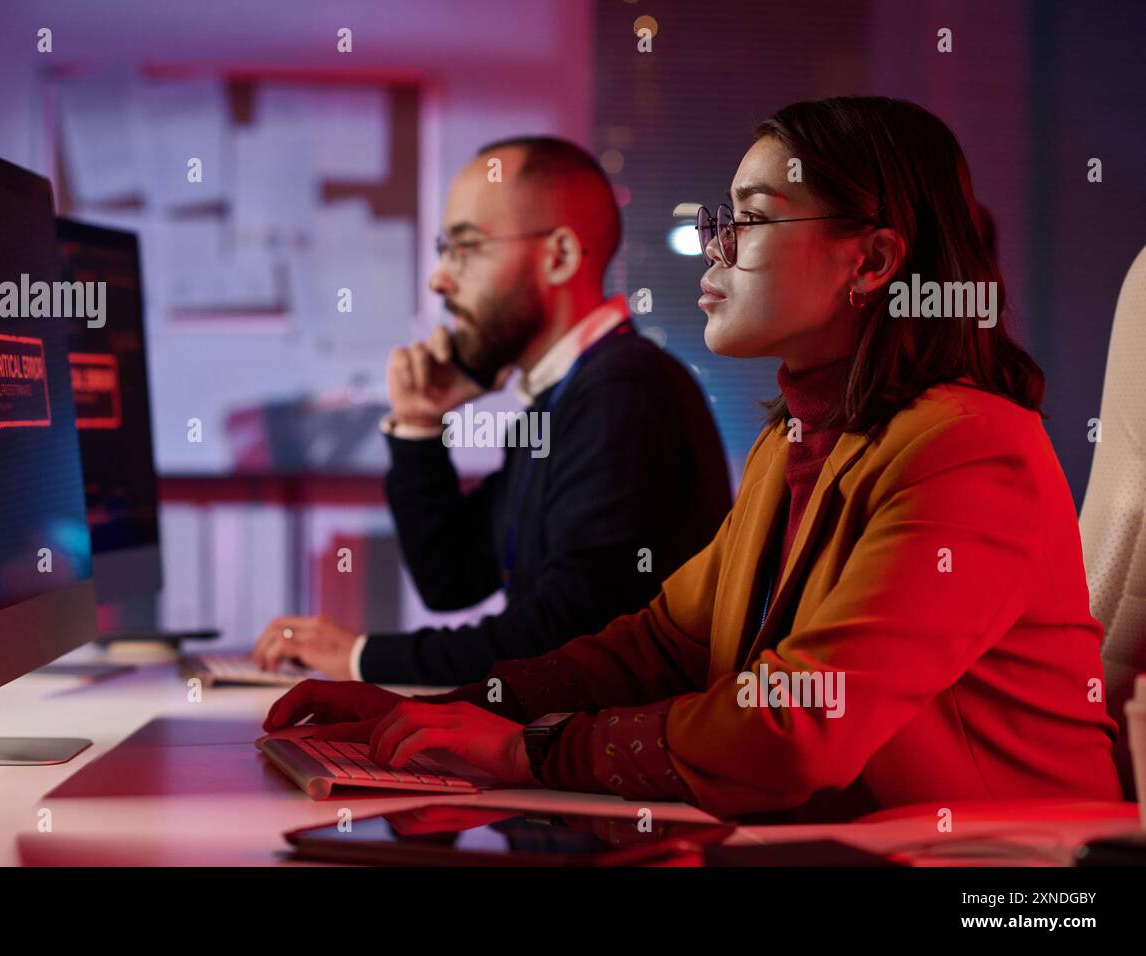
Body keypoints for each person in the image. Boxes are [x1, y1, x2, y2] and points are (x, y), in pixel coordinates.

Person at [261, 97, 1123, 822]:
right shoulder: (794, 442)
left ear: (870, 261)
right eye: (721, 218)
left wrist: (529, 750)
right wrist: (444, 711)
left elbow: (796, 726)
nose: (715, 246)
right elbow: (659, 646)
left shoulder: (968, 449)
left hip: (1006, 872)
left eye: (751, 218)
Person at [252, 136, 731, 686]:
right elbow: (452, 579)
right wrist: (419, 426)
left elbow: (566, 638)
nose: (439, 279)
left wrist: (362, 656)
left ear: (559, 257)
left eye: (466, 247)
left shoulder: (623, 392)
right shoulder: (564, 395)